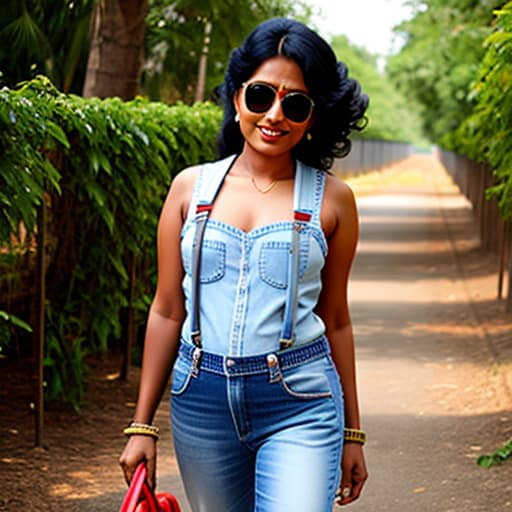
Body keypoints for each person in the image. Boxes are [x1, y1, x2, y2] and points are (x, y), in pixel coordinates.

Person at [120, 17, 369, 512]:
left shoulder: (334, 201)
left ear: (313, 118)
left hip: (301, 400)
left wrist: (353, 433)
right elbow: (168, 311)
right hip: (201, 403)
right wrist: (142, 424)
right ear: (236, 99)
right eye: (260, 96)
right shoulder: (189, 190)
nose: (275, 114)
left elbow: (336, 319)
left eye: (294, 103)